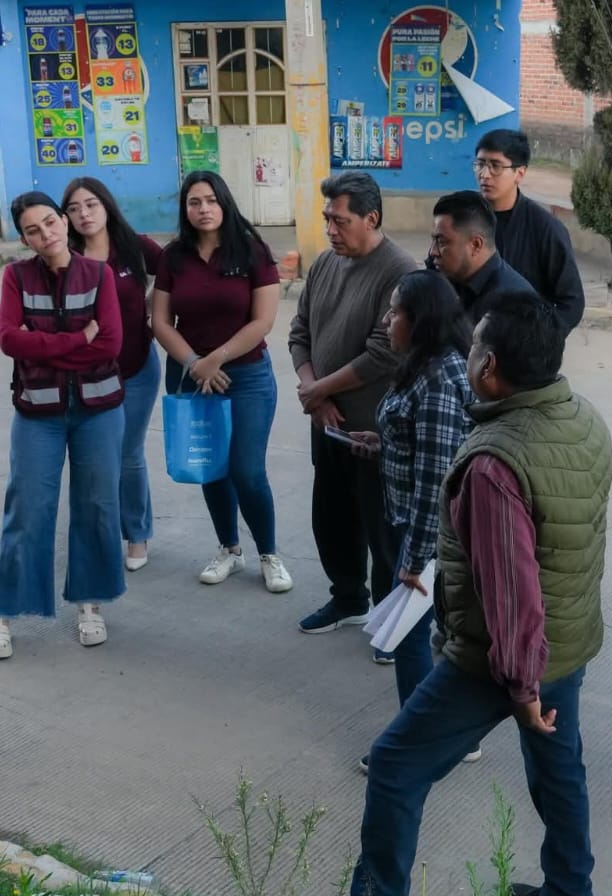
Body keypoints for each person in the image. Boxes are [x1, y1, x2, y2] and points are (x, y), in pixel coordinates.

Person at [310, 293, 612, 896]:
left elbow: (512, 591)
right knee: (560, 771)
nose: (466, 353)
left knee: (394, 763)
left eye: (475, 347)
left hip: (499, 659)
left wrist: (523, 687)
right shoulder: (582, 418)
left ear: (491, 369)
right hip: (569, 641)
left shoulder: (494, 464)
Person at [345, 270, 481, 769]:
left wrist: (415, 557)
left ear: (421, 319)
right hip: (418, 526)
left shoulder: (441, 376)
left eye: (395, 311)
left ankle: (419, 746)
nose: (386, 320)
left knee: (408, 638)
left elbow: (436, 481)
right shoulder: (422, 366)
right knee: (433, 638)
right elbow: (421, 447)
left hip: (430, 532)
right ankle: (455, 736)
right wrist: (381, 443)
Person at [0, 192, 126, 659]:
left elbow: (108, 344)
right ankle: (4, 612)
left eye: (50, 222)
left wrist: (40, 341)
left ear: (64, 221)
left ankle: (90, 604)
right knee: (26, 509)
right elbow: (8, 340)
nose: (46, 234)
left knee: (97, 506)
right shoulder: (15, 276)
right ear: (23, 238)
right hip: (37, 412)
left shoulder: (99, 274)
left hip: (98, 410)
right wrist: (73, 338)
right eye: (33, 230)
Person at [289, 171, 419, 646]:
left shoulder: (400, 272)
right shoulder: (325, 264)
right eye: (326, 219)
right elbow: (299, 332)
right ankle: (347, 598)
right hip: (326, 424)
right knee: (331, 516)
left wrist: (320, 390)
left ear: (372, 218)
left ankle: (390, 623)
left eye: (339, 221)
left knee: (383, 529)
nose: (330, 230)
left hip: (374, 429)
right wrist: (314, 392)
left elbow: (384, 352)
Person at [151, 170, 292, 594]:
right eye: (195, 202)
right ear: (185, 209)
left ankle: (269, 553)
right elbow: (159, 321)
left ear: (225, 202)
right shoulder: (173, 257)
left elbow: (263, 320)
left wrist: (217, 358)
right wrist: (196, 363)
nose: (203, 209)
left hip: (246, 374)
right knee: (211, 469)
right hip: (194, 375)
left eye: (211, 200)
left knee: (246, 470)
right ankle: (230, 549)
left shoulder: (252, 251)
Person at [63, 176, 164, 574]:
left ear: (106, 206)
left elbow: (175, 273)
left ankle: (136, 534)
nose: (84, 214)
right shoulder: (66, 256)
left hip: (137, 368)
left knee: (127, 453)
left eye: (90, 205)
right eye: (73, 208)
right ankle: (101, 533)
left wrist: (154, 308)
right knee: (96, 457)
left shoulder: (134, 247)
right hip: (86, 375)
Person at [471, 129, 584, 333]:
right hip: (467, 345)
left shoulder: (545, 229)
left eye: (495, 166)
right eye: (480, 164)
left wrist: (540, 340)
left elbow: (571, 302)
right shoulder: (463, 218)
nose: (484, 175)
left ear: (519, 173)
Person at [428, 190, 537, 321]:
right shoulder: (446, 280)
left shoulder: (513, 305)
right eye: (433, 240)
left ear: (475, 245)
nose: (432, 252)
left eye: (441, 242)